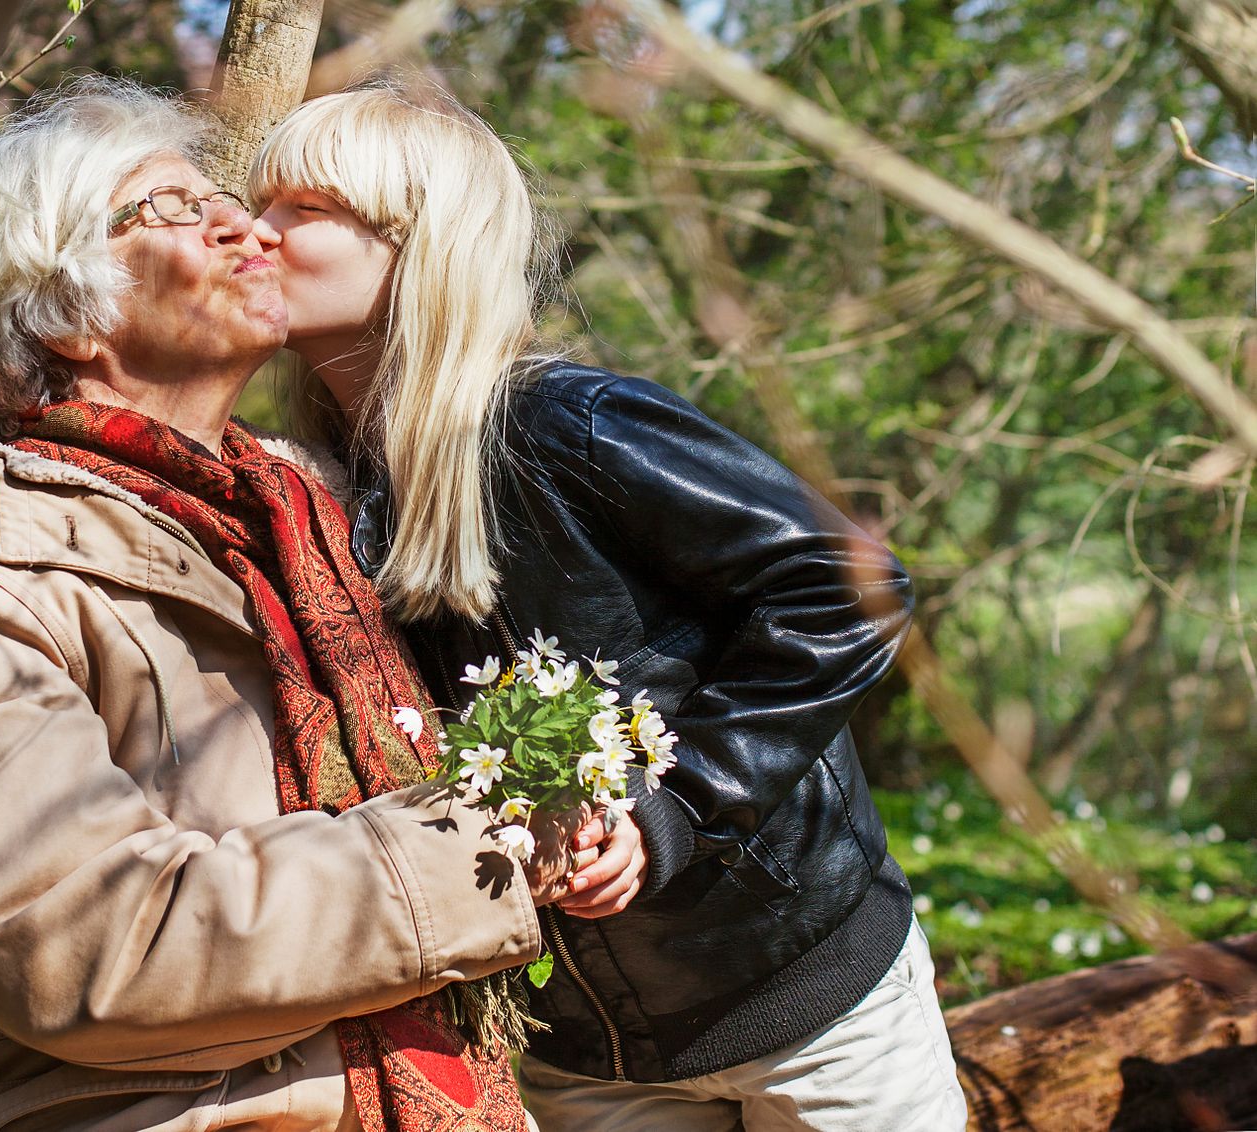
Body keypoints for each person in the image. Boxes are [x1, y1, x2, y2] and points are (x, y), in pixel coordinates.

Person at [0, 78, 596, 1132]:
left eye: (217, 196)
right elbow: (84, 946)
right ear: (66, 311)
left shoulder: (311, 510)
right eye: (166, 208)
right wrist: (480, 849)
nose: (243, 223)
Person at [248, 82, 968, 1130]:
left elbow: (847, 589)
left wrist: (673, 809)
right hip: (587, 1056)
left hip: (814, 1005)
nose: (253, 232)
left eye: (301, 209)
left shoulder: (573, 425)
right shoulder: (325, 497)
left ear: (417, 246)